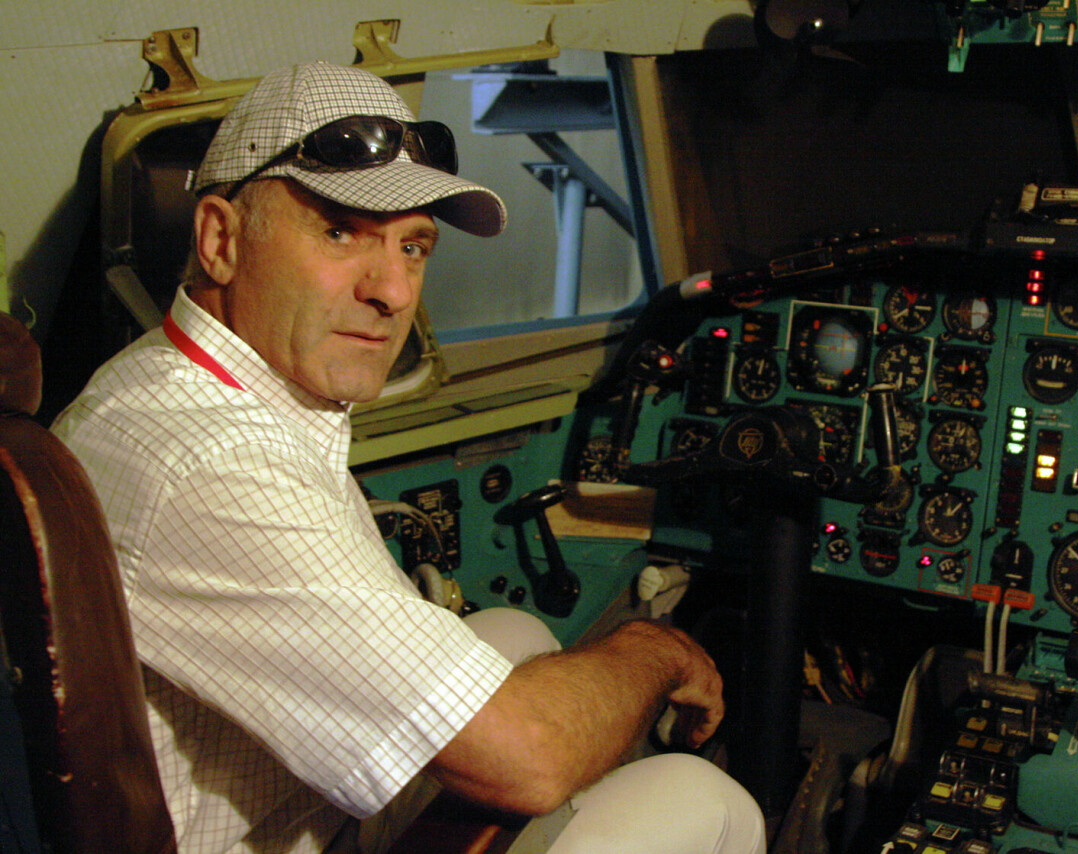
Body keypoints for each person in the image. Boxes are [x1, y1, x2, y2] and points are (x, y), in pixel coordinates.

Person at [52, 61, 766, 854]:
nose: (393, 291)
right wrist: (655, 648)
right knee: (705, 800)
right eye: (339, 231)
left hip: (274, 809)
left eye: (414, 245)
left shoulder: (163, 385)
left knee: (513, 634)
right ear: (221, 240)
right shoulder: (216, 463)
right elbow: (530, 758)